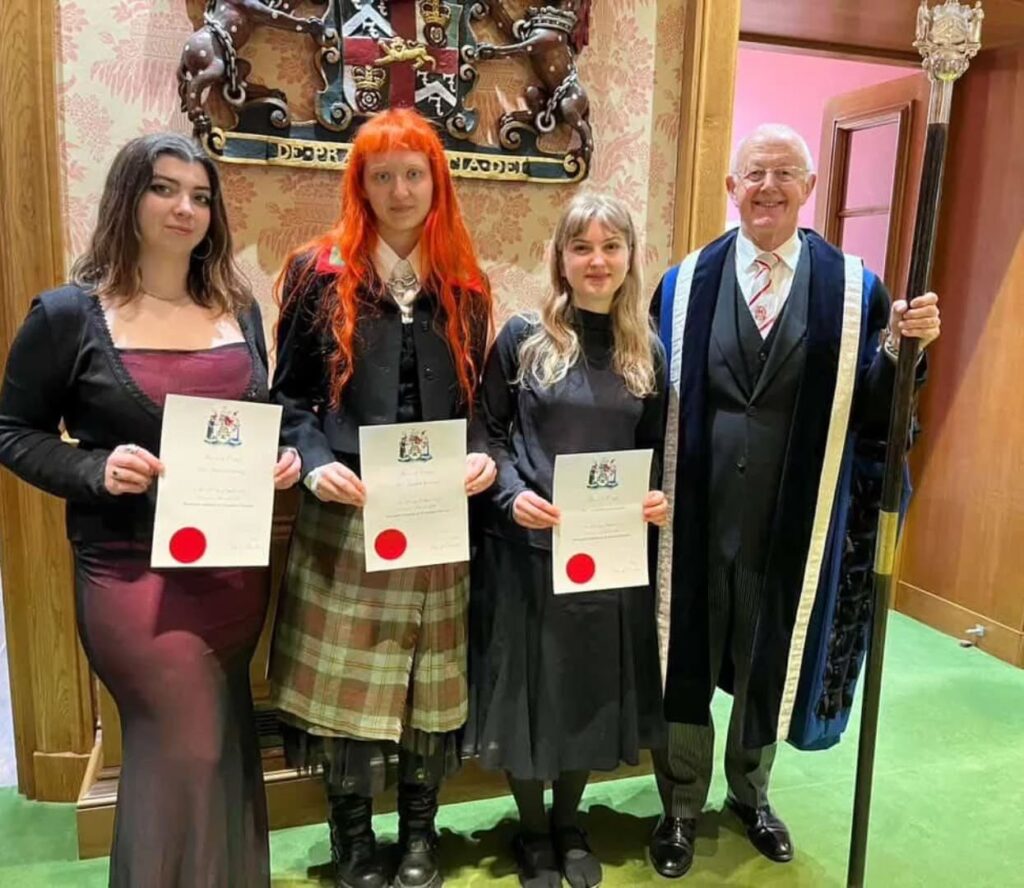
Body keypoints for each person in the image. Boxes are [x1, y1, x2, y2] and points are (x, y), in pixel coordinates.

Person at [0, 133, 300, 887]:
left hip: (231, 570)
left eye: (200, 196)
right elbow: (13, 431)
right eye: (165, 189)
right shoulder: (69, 315)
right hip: (131, 575)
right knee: (187, 749)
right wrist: (94, 467)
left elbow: (271, 415)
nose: (185, 209)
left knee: (222, 749)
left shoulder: (239, 309)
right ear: (128, 198)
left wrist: (286, 456)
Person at [647, 123, 942, 878]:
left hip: (795, 518)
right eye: (755, 173)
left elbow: (882, 413)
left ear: (809, 189)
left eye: (785, 174)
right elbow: (648, 402)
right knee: (685, 657)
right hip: (695, 516)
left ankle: (751, 793)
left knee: (769, 655)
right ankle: (679, 805)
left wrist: (908, 349)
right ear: (732, 188)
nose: (768, 187)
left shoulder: (854, 291)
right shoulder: (682, 286)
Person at [268, 108, 495, 888]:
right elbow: (290, 401)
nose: (399, 190)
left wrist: (483, 462)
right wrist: (314, 456)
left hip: (434, 518)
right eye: (382, 174)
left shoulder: (464, 283)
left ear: (437, 182)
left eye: (413, 173)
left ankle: (421, 838)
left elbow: (479, 412)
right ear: (359, 184)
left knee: (428, 687)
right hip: (347, 514)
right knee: (349, 696)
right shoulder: (316, 272)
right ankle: (354, 842)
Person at [468, 192, 669, 888]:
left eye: (611, 247)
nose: (596, 261)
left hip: (607, 556)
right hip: (528, 549)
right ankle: (531, 831)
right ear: (559, 257)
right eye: (581, 247)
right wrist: (510, 494)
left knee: (586, 687)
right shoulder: (523, 336)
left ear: (629, 259)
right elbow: (486, 435)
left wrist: (656, 498)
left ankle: (569, 821)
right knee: (532, 690)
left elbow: (652, 451)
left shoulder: (649, 350)